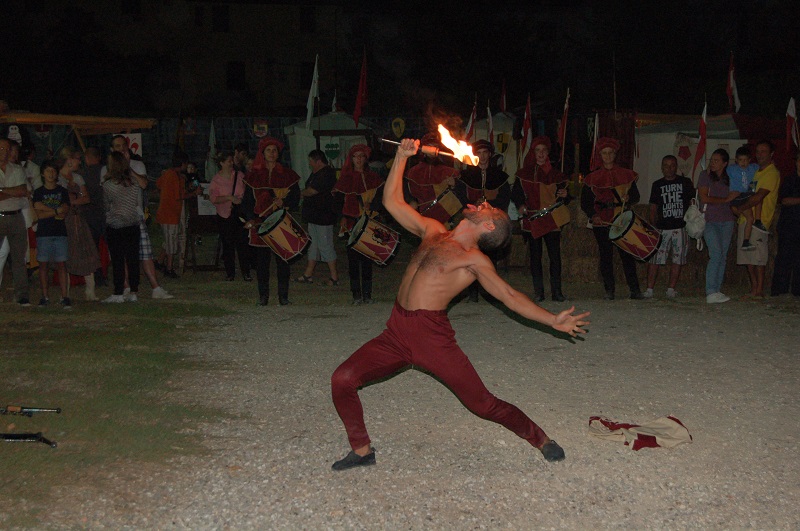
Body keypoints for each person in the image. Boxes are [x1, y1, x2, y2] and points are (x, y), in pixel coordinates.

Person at [330, 138, 590, 471]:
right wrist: (401, 156)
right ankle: (363, 450)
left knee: (482, 404)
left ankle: (540, 438)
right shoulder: (434, 230)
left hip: (431, 336)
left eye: (489, 209)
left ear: (490, 225)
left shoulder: (474, 260)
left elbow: (510, 297)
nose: (481, 203)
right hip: (396, 330)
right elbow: (392, 201)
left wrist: (553, 320)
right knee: (342, 379)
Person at [103, 135, 172, 299]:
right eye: (117, 146)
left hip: (135, 215)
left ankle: (152, 287)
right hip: (116, 219)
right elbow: (107, 194)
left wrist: (127, 167)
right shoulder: (106, 170)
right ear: (112, 149)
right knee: (120, 257)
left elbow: (143, 184)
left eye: (123, 145)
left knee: (142, 254)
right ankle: (125, 288)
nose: (121, 149)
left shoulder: (137, 165)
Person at [580, 137, 644, 300]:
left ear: (615, 154)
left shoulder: (625, 174)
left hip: (621, 219)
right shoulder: (592, 177)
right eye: (604, 153)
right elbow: (585, 202)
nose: (607, 156)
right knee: (606, 256)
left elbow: (636, 196)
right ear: (600, 155)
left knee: (627, 255)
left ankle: (635, 290)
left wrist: (629, 197)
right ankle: (609, 290)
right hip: (601, 220)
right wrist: (593, 215)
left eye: (610, 153)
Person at [241, 137, 301, 306]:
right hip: (261, 223)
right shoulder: (253, 176)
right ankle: (263, 297)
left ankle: (283, 296)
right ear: (263, 153)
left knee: (283, 262)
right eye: (268, 150)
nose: (272, 153)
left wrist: (285, 203)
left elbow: (296, 197)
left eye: (274, 150)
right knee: (262, 263)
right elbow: (247, 202)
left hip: (281, 223)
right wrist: (249, 218)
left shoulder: (287, 175)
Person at [511, 136, 571, 302]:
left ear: (548, 153)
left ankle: (557, 292)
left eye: (544, 150)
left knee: (554, 257)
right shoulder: (524, 174)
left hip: (551, 219)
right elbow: (516, 193)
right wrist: (521, 205)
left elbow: (564, 197)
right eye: (538, 150)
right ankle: (539, 292)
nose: (541, 153)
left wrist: (565, 195)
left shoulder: (557, 174)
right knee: (535, 257)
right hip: (533, 219)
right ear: (533, 153)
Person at [456, 139, 511, 302]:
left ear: (490, 154)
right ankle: (472, 292)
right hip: (473, 223)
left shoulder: (500, 177)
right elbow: (460, 197)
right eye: (479, 153)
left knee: (490, 258)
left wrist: (490, 208)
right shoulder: (466, 176)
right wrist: (473, 207)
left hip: (490, 224)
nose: (482, 156)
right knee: (471, 256)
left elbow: (504, 198)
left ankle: (491, 293)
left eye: (485, 152)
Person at [333, 144, 384, 305]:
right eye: (356, 156)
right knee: (353, 260)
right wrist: (342, 217)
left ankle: (367, 294)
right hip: (351, 222)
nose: (359, 159)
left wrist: (372, 206)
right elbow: (338, 202)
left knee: (367, 259)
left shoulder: (373, 178)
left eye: (362, 156)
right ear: (352, 159)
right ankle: (356, 294)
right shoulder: (345, 178)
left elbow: (381, 200)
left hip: (368, 221)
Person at [731, 140, 780, 299]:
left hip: (759, 221)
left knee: (758, 258)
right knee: (747, 258)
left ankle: (759, 290)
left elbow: (758, 197)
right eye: (758, 151)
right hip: (746, 219)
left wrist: (738, 207)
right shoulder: (755, 172)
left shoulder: (771, 173)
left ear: (771, 153)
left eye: (764, 151)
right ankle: (754, 289)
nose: (760, 154)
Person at [643, 155, 694, 299]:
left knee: (678, 259)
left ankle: (671, 289)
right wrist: (653, 228)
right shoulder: (657, 185)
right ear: (662, 167)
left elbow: (692, 203)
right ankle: (649, 289)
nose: (669, 168)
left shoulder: (685, 182)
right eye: (666, 165)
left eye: (672, 165)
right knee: (655, 260)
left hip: (680, 227)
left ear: (676, 166)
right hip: (662, 228)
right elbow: (653, 208)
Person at [57, 147, 100, 301]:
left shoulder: (77, 178)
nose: (79, 162)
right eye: (77, 159)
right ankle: (65, 293)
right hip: (64, 219)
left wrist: (73, 201)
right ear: (69, 160)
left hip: (78, 219)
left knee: (86, 251)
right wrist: (73, 200)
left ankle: (90, 290)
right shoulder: (57, 178)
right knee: (66, 253)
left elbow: (86, 198)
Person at [698, 149, 737, 303]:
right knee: (716, 254)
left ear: (725, 163)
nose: (712, 163)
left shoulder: (730, 177)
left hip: (727, 219)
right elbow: (704, 197)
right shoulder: (705, 175)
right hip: (710, 219)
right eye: (711, 160)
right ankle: (710, 290)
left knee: (722, 256)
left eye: (716, 160)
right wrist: (726, 200)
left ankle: (717, 289)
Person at [102, 152, 141, 303]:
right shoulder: (134, 182)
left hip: (116, 225)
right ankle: (133, 290)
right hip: (132, 223)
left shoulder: (109, 185)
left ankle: (118, 292)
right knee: (132, 259)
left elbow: (106, 205)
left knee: (118, 259)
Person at [295, 149, 339, 286]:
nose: (310, 164)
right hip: (314, 216)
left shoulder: (327, 174)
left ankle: (334, 277)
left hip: (323, 217)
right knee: (313, 245)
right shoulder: (317, 173)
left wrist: (298, 195)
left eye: (311, 161)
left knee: (325, 245)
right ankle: (308, 274)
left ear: (318, 161)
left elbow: (313, 191)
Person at [32, 160, 71, 309]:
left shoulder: (62, 191)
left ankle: (65, 296)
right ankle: (45, 296)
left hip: (60, 232)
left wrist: (46, 210)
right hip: (44, 233)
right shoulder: (39, 192)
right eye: (48, 171)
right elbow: (38, 213)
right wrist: (55, 211)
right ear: (42, 173)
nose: (51, 174)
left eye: (53, 171)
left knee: (62, 264)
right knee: (43, 265)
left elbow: (65, 210)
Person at [208, 150, 250, 281]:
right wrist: (228, 198)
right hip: (224, 215)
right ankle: (230, 272)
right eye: (228, 161)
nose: (231, 163)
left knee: (243, 243)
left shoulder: (240, 175)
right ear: (221, 163)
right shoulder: (216, 180)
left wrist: (240, 200)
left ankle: (246, 272)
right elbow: (214, 198)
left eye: (232, 161)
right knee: (228, 244)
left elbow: (247, 192)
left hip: (239, 214)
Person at [0, 137, 33, 306]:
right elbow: (18, 191)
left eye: (7, 149)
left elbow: (22, 190)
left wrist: (4, 190)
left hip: (16, 216)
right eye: (1, 149)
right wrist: (13, 191)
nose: (4, 153)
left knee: (19, 258)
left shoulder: (17, 169)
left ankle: (22, 295)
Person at [404, 133, 460, 224]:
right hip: (421, 217)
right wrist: (411, 202)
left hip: (445, 217)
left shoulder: (450, 172)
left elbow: (458, 197)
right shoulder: (413, 172)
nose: (432, 149)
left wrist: (454, 185)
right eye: (429, 146)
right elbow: (407, 194)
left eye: (435, 146)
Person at [155, 150, 193, 278]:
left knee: (168, 240)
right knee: (171, 243)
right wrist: (194, 193)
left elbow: (158, 184)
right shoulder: (174, 176)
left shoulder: (169, 174)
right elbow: (179, 196)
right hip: (169, 215)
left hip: (166, 214)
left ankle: (160, 262)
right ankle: (169, 268)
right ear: (182, 164)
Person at [771, 151, 800, 297]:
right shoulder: (789, 180)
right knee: (784, 257)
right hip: (789, 225)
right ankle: (779, 290)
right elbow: (784, 200)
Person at [727, 146, 762, 250]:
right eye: (741, 160)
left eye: (746, 160)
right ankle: (756, 221)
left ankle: (746, 241)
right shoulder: (732, 169)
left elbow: (761, 167)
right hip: (737, 196)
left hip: (746, 196)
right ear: (736, 160)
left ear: (750, 160)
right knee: (757, 196)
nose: (743, 162)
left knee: (750, 218)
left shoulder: (752, 168)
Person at [82, 146, 107, 287]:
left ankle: (98, 275)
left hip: (91, 215)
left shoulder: (84, 174)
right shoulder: (105, 170)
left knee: (94, 248)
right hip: (104, 213)